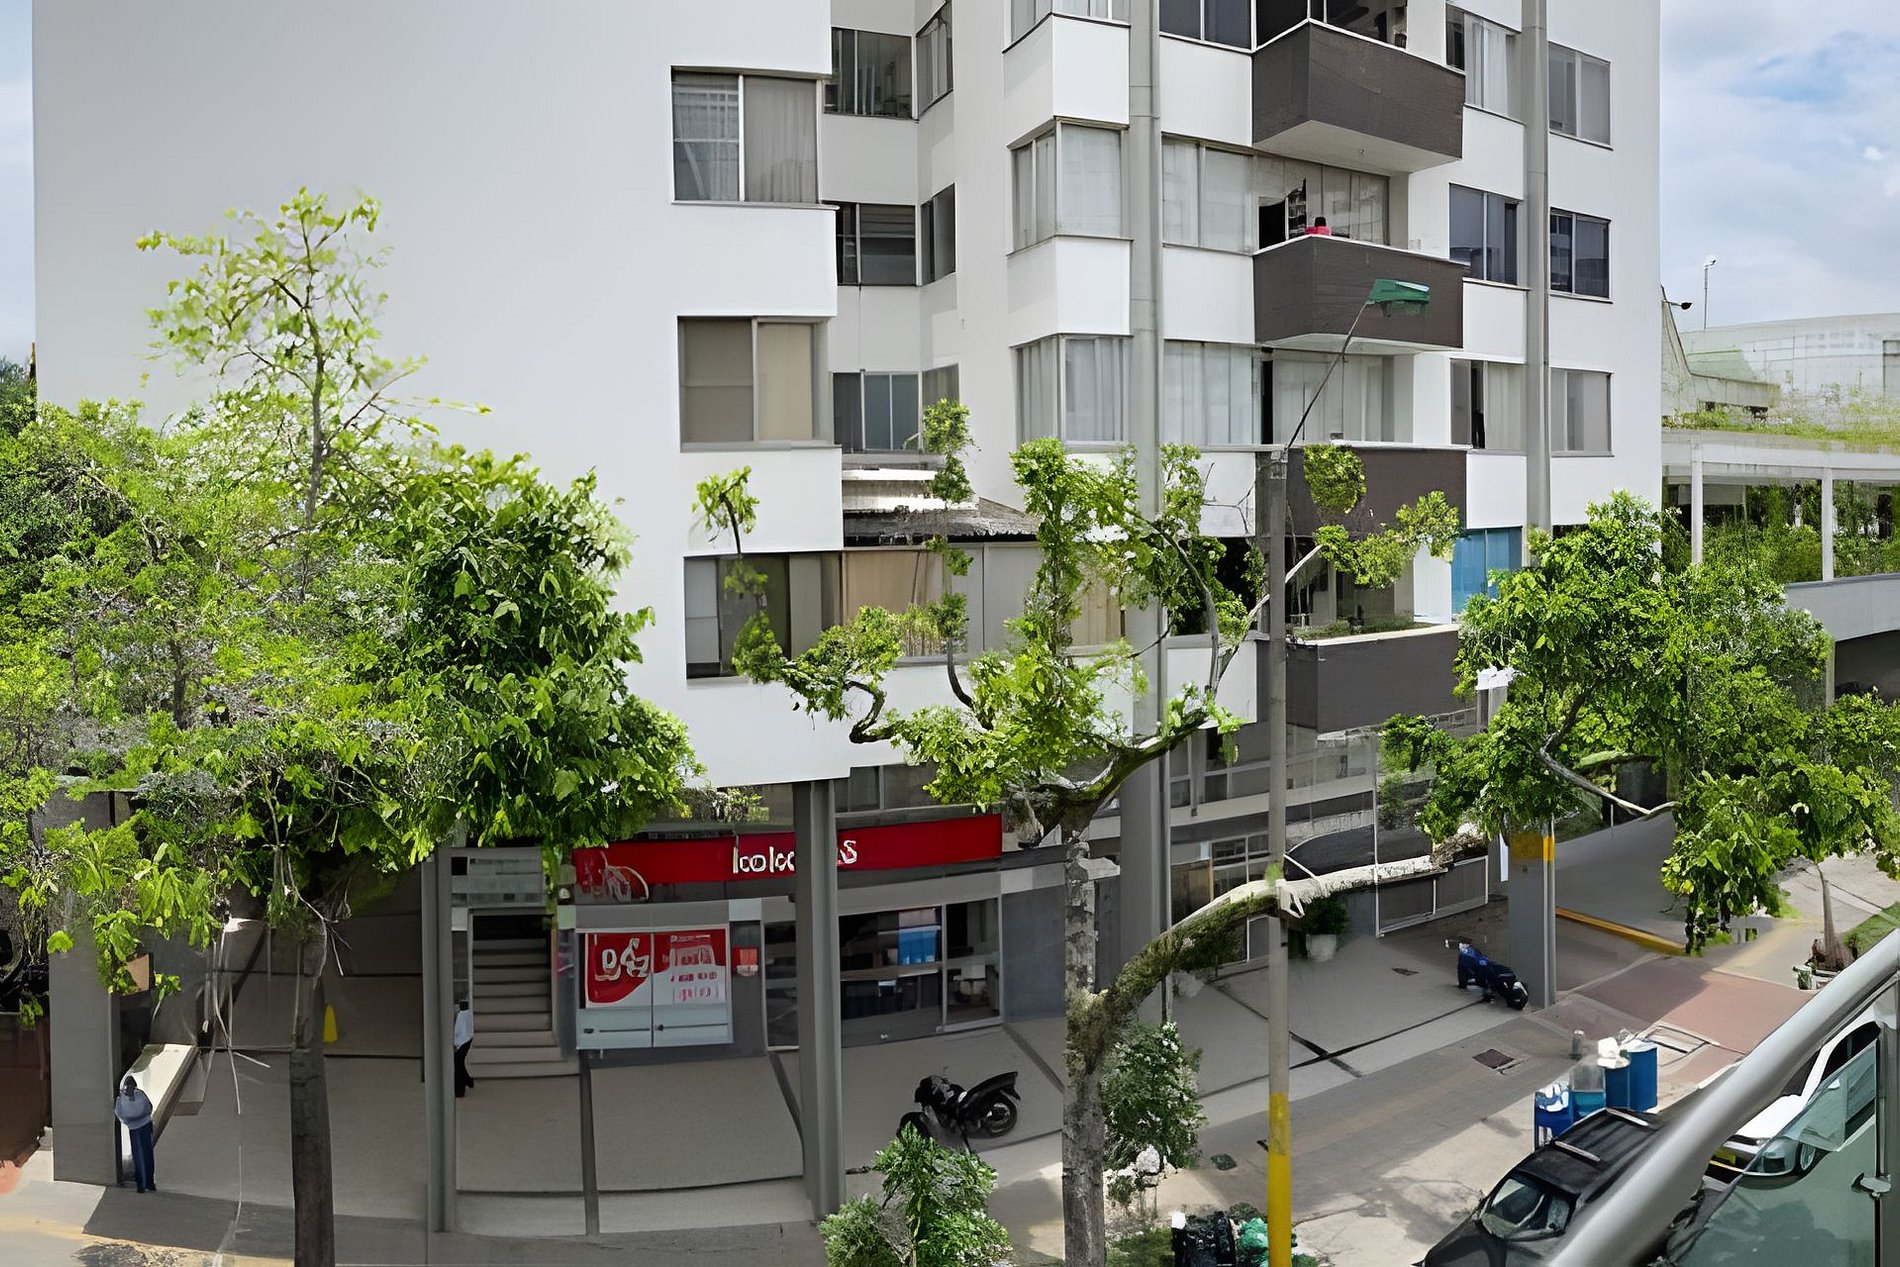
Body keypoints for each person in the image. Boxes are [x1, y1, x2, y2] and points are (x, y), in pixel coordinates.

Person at [114, 1075, 156, 1192]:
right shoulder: (121, 1100)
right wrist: (130, 1120)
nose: (130, 1091)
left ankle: (149, 1183)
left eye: (132, 1088)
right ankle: (141, 1184)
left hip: (144, 1125)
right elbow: (119, 1113)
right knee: (138, 1155)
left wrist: (133, 1118)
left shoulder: (140, 1095)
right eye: (127, 1089)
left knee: (147, 1154)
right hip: (134, 1128)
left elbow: (148, 1107)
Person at [453, 1000, 475, 1097]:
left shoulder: (461, 1015)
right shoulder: (469, 1014)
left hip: (462, 1041)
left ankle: (460, 1089)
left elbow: (458, 1030)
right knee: (460, 1062)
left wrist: (455, 1042)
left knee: (458, 1064)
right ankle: (468, 1081)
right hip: (468, 1040)